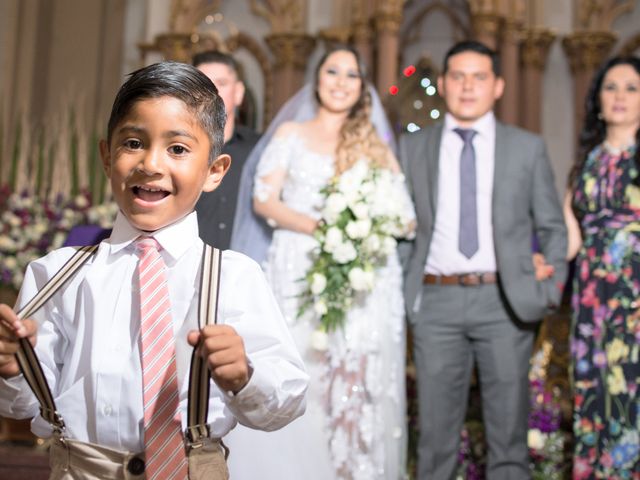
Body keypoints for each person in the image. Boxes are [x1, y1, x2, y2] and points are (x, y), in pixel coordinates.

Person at [0, 62, 307, 479]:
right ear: (107, 157)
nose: (150, 164)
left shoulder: (234, 278)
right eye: (133, 143)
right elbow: (21, 404)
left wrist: (245, 376)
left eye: (177, 149)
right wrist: (14, 369)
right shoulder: (56, 276)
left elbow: (285, 403)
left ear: (214, 171)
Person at [226, 44, 413, 479]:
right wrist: (323, 227)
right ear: (317, 78)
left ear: (362, 86)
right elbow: (264, 200)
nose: (341, 82)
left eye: (352, 74)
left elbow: (406, 218)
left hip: (360, 279)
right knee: (301, 369)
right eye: (333, 71)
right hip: (298, 268)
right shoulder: (291, 133)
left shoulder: (374, 145)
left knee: (353, 377)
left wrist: (364, 224)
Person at [400, 40, 567, 480]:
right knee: (435, 441)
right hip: (436, 302)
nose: (468, 86)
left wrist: (548, 291)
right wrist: (405, 293)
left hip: (505, 303)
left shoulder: (526, 148)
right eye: (458, 76)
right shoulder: (413, 147)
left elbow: (553, 226)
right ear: (442, 84)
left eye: (479, 77)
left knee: (508, 439)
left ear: (498, 86)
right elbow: (400, 229)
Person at [564, 55, 640, 479]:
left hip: (636, 304)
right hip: (592, 304)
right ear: (597, 99)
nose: (620, 97)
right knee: (593, 398)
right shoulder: (586, 163)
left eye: (631, 88)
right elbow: (568, 240)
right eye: (611, 87)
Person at [193, 50, 260, 250]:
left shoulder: (260, 148)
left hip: (244, 266)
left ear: (238, 93)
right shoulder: (176, 150)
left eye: (221, 83)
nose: (212, 92)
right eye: (203, 84)